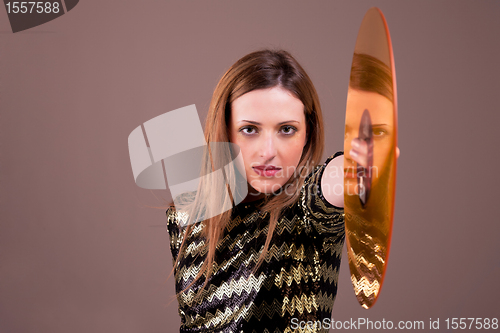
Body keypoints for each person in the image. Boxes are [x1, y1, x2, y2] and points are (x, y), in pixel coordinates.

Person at [166, 49, 375, 332]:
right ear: (225, 130)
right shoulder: (187, 211)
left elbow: (329, 186)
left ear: (307, 134)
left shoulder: (306, 211)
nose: (268, 152)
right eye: (250, 129)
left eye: (286, 129)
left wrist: (355, 165)